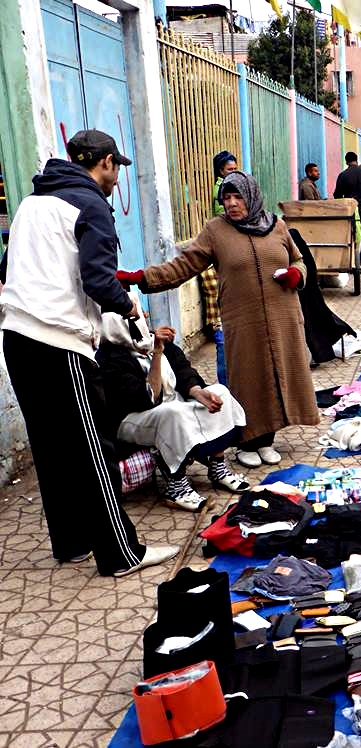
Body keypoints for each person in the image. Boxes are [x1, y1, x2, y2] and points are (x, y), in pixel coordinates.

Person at [0, 129, 177, 577]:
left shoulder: (29, 204)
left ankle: (72, 543)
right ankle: (121, 554)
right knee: (94, 448)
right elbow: (99, 280)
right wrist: (129, 305)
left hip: (17, 339)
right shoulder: (91, 203)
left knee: (51, 446)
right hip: (60, 343)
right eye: (116, 168)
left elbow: (8, 270)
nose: (116, 179)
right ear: (104, 163)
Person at [117, 171, 320, 470]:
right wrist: (141, 278)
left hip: (283, 315)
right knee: (249, 377)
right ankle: (246, 441)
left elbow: (299, 259)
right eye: (227, 198)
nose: (233, 204)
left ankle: (266, 440)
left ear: (251, 196)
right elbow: (183, 266)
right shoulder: (216, 231)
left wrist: (296, 274)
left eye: (238, 197)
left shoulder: (276, 225)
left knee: (279, 374)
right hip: (243, 320)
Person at [96, 301, 249, 512]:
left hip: (168, 407)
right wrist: (157, 353)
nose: (146, 316)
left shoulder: (150, 340)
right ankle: (176, 487)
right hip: (132, 419)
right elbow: (148, 398)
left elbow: (183, 368)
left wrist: (197, 391)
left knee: (219, 392)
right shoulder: (109, 358)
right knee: (172, 413)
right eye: (138, 315)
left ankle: (217, 467)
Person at [208, 151, 238, 385]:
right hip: (225, 274)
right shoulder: (222, 192)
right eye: (229, 169)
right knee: (223, 335)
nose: (232, 204)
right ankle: (226, 386)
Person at [334, 151, 361, 266]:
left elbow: (338, 195)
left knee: (353, 231)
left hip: (351, 208)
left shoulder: (343, 175)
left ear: (346, 161)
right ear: (357, 160)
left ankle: (355, 256)